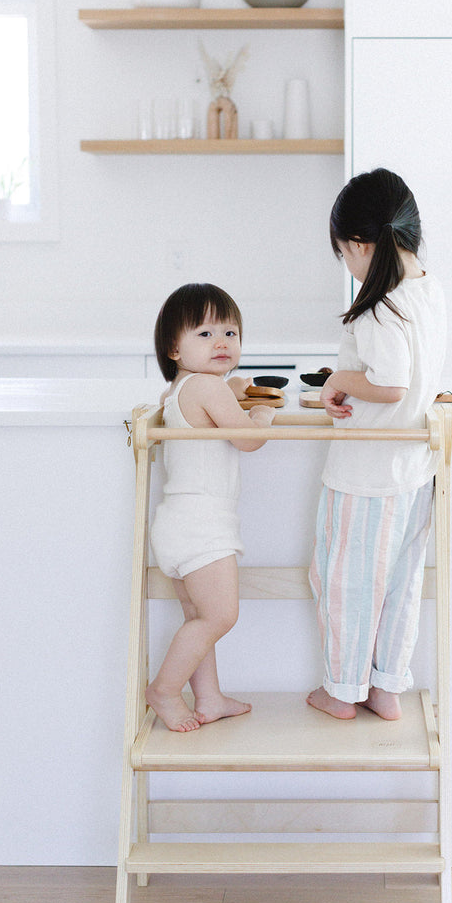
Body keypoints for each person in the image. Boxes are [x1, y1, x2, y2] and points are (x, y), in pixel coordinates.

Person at [307, 168, 447, 721]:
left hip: (367, 472)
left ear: (361, 245)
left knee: (343, 580)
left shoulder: (379, 306)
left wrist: (339, 381)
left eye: (344, 253)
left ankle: (342, 692)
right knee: (399, 581)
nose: (348, 265)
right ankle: (386, 686)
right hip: (414, 469)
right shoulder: (428, 292)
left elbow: (389, 384)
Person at [147, 282, 275, 732]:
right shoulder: (207, 387)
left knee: (199, 618)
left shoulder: (181, 390)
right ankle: (164, 690)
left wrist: (233, 389)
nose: (221, 342)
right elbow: (248, 439)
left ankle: (209, 697)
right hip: (202, 524)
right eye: (204, 334)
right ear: (173, 348)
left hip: (177, 522)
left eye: (230, 332)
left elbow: (210, 408)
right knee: (220, 616)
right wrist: (261, 415)